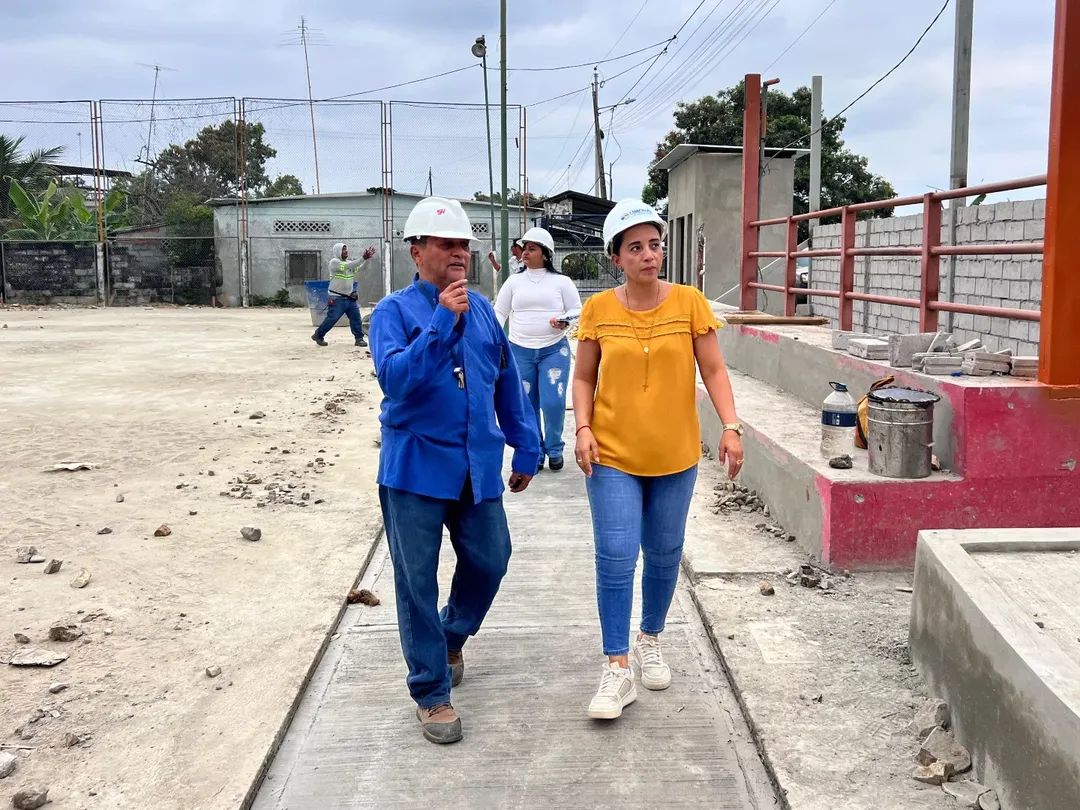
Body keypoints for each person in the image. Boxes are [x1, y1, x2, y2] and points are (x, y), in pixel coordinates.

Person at [369, 196, 541, 745]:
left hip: (477, 464)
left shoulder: (485, 311)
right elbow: (396, 380)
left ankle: (451, 635)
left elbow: (505, 381)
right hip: (415, 468)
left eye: (464, 245)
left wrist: (526, 445)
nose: (458, 253)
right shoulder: (393, 312)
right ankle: (431, 691)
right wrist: (443, 320)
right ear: (416, 251)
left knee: (491, 559)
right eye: (446, 244)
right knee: (415, 581)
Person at [572, 199, 745, 721]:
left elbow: (714, 370)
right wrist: (582, 428)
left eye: (655, 245)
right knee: (616, 555)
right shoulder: (598, 310)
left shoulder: (690, 303)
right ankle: (616, 666)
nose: (649, 255)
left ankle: (649, 638)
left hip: (675, 454)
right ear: (616, 258)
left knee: (665, 552)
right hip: (612, 454)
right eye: (635, 248)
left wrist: (731, 426)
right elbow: (583, 376)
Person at [494, 226, 582, 473]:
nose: (525, 253)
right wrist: (494, 339)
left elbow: (577, 310)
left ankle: (555, 448)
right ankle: (536, 451)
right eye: (524, 248)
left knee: (553, 402)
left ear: (545, 253)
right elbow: (499, 312)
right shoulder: (514, 282)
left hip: (553, 351)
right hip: (519, 350)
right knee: (527, 405)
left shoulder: (561, 282)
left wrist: (564, 320)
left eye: (531, 249)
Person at [311, 242, 376, 347]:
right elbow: (348, 266)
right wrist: (362, 258)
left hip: (350, 297)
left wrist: (367, 259)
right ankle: (318, 335)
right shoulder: (334, 263)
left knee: (356, 318)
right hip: (337, 298)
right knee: (332, 319)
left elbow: (360, 267)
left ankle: (359, 339)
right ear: (338, 251)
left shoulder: (349, 263)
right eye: (343, 249)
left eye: (346, 249)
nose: (346, 251)